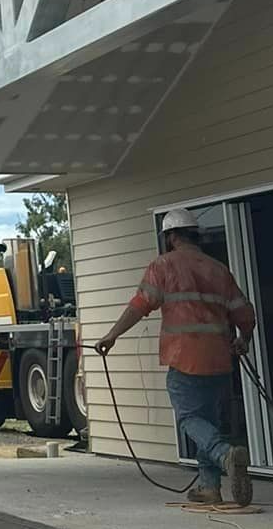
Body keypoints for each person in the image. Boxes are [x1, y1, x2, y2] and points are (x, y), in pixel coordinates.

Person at [92, 205, 256, 508]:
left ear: (170, 237)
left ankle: (225, 455)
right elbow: (245, 313)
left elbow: (140, 305)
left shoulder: (163, 266)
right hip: (219, 360)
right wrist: (243, 339)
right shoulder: (219, 270)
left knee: (190, 418)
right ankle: (209, 487)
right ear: (195, 235)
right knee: (208, 421)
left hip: (184, 357)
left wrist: (112, 335)